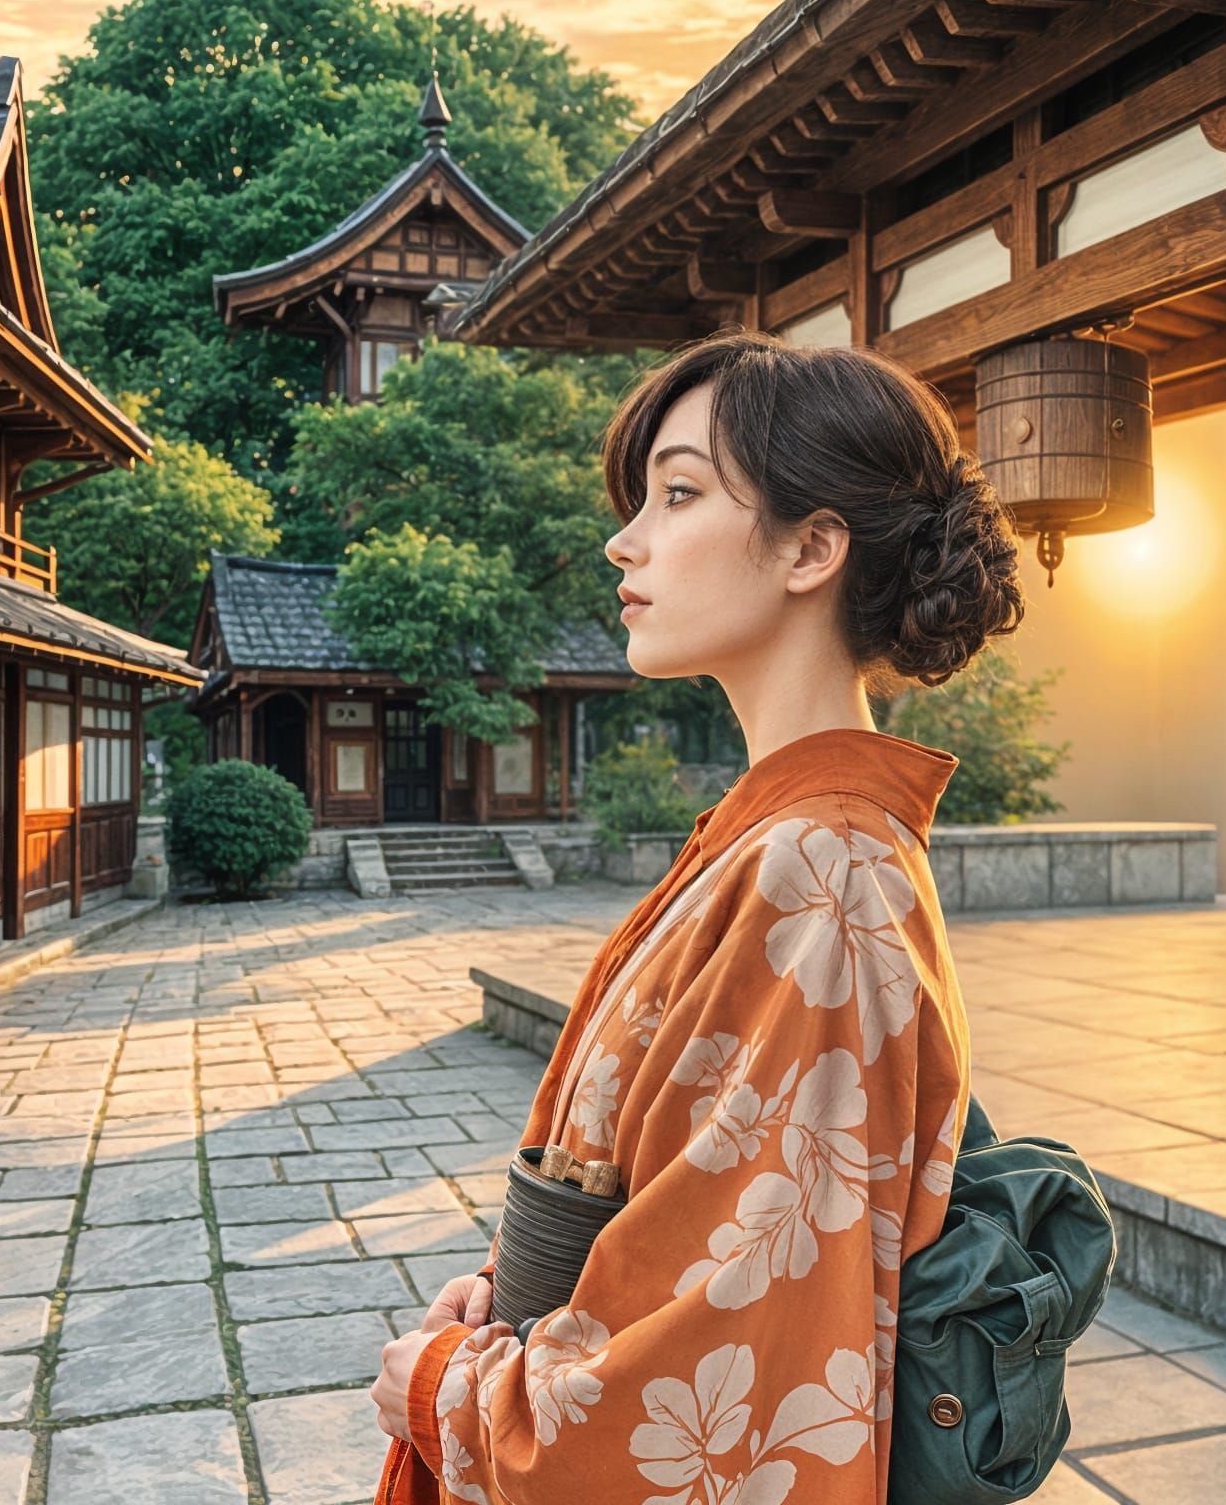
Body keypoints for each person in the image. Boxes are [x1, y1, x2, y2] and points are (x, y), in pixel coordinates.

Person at [370, 328, 1025, 1504]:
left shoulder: (822, 871)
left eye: (677, 495)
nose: (624, 540)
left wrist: (448, 1393)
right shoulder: (783, 837)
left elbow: (729, 1370)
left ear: (812, 547)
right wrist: (510, 1300)